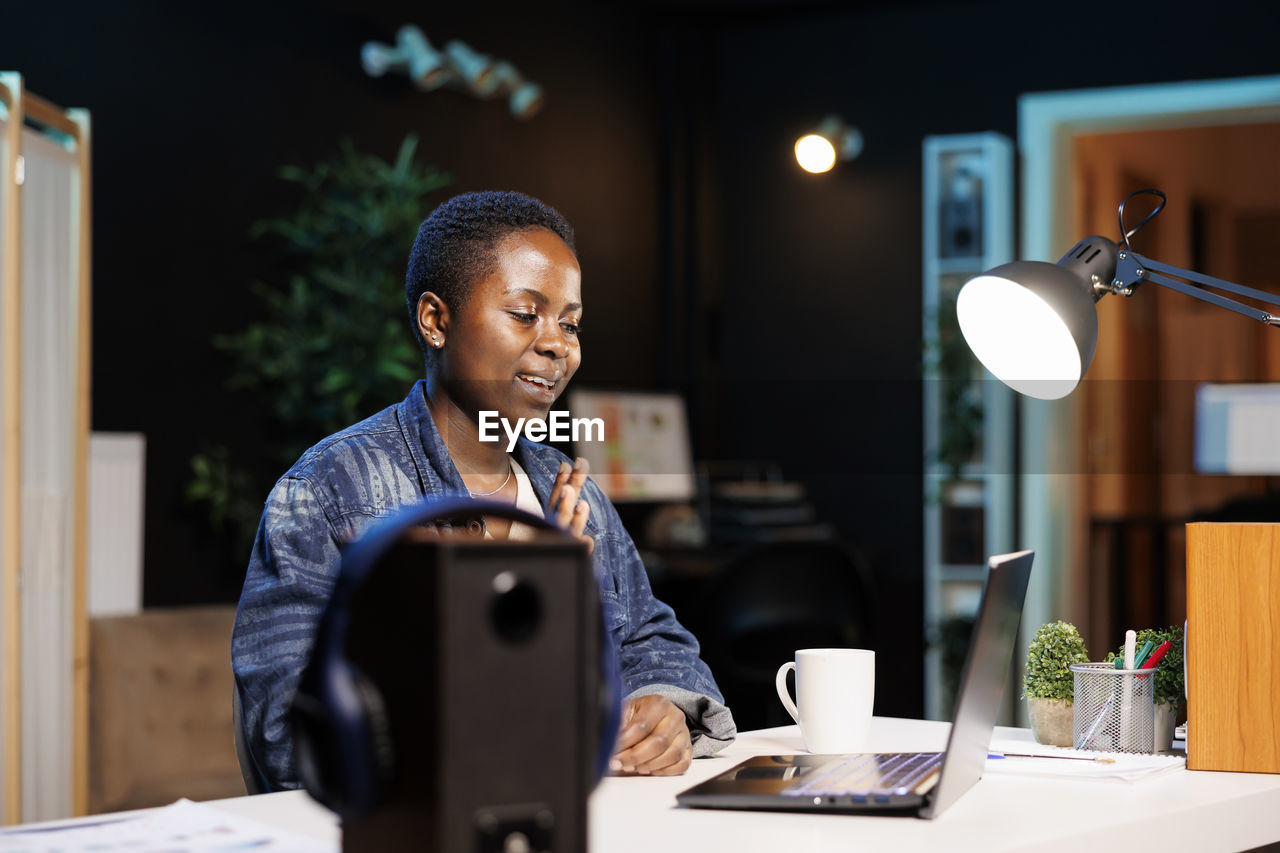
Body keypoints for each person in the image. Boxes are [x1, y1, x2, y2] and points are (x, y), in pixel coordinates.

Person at [232, 190, 735, 791]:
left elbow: (654, 640)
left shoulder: (571, 489)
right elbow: (289, 736)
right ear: (436, 321)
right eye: (526, 314)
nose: (558, 344)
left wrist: (665, 711)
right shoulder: (328, 492)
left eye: (570, 323)